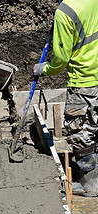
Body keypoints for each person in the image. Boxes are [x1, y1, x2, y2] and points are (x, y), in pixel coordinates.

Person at [33, 0, 98, 197]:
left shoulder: (65, 12)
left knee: (79, 132)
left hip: (85, 81)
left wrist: (43, 69)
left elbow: (60, 60)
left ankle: (90, 183)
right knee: (95, 126)